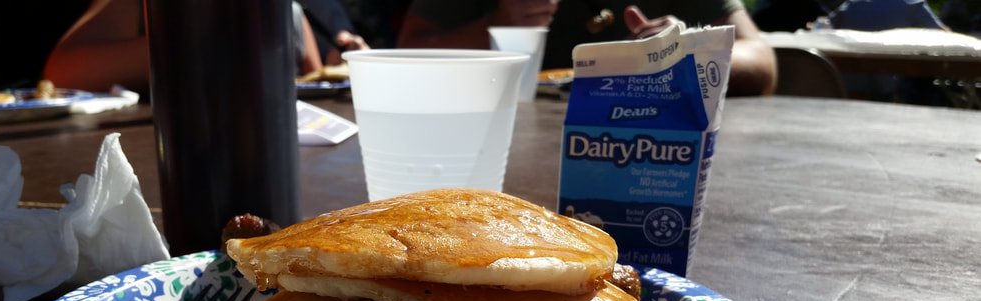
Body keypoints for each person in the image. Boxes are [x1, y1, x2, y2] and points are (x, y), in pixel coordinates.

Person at [397, 1, 778, 97]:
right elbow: (408, 50)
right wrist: (495, 24)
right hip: (492, 149)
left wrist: (686, 48)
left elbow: (761, 61)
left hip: (643, 153)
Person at [43, 0, 323, 94]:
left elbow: (318, 84)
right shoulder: (138, 6)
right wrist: (201, 45)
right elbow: (62, 74)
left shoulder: (288, 13)